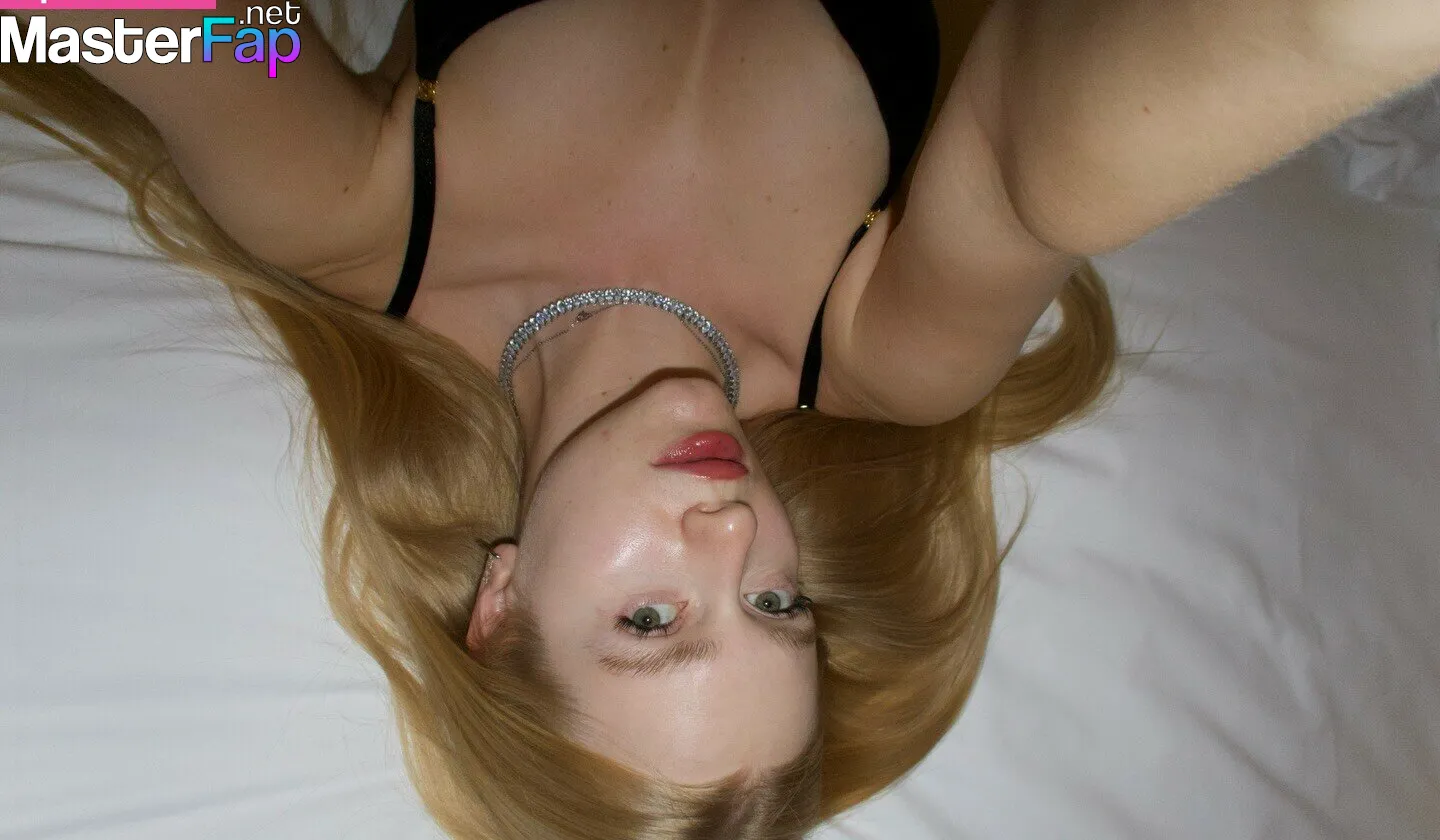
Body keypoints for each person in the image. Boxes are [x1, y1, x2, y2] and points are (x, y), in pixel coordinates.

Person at [3, 1, 1434, 837]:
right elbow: (1021, 160)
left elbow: (189, 27)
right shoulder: (881, 356)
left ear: (498, 605)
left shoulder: (352, 218)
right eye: (776, 606)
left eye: (654, 621)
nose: (734, 532)